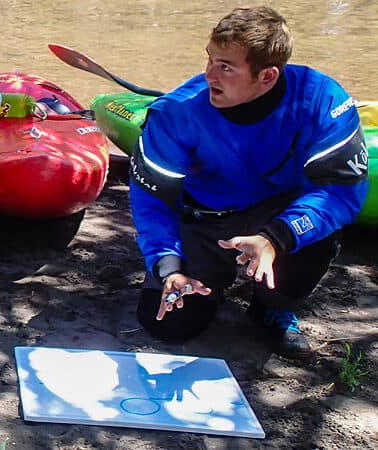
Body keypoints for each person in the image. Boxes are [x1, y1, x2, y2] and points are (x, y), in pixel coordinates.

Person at [129, 6, 368, 358]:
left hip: (278, 213)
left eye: (226, 67)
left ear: (267, 76)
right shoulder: (176, 112)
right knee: (167, 325)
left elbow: (342, 192)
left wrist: (278, 237)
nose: (210, 74)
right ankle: (209, 283)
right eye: (210, 59)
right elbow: (152, 200)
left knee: (321, 235)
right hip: (203, 217)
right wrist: (168, 265)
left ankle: (271, 306)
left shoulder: (321, 99)